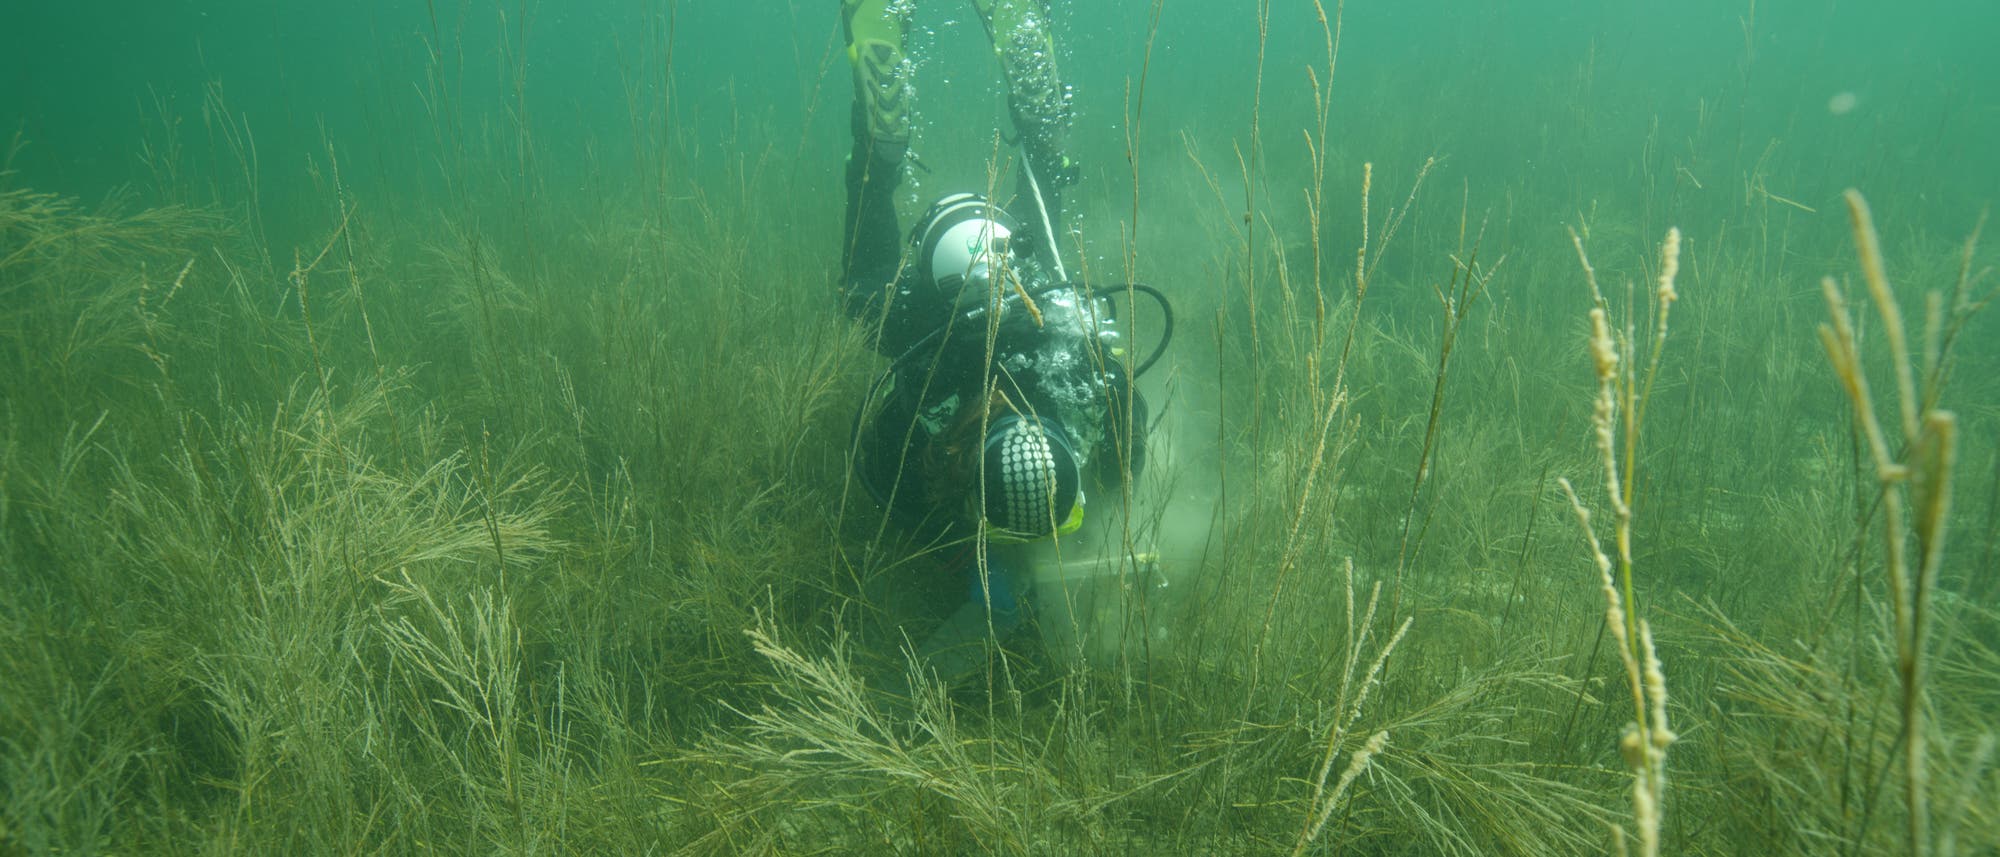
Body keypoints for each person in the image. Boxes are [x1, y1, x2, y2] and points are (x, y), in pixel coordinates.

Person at [837, 0, 1155, 690]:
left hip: (1003, 277)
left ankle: (891, 148)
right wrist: (950, 556)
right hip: (954, 282)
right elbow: (879, 478)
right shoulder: (1067, 373)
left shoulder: (1070, 377)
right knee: (870, 305)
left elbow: (881, 468)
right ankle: (893, 152)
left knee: (1040, 225)